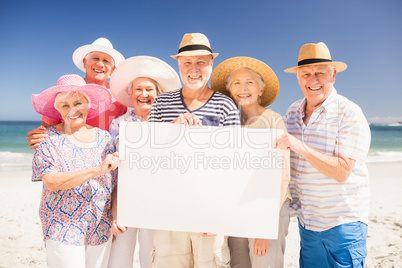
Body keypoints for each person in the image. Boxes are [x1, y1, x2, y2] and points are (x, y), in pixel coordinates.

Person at [274, 42, 371, 268]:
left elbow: (342, 171)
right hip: (307, 224)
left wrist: (300, 146)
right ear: (298, 77)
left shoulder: (349, 112)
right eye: (306, 73)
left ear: (333, 75)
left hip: (343, 224)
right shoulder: (292, 112)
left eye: (320, 73)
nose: (313, 80)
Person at [148, 33, 240, 268]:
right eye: (187, 62)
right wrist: (172, 128)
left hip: (208, 212)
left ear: (211, 64)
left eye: (201, 62)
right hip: (169, 209)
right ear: (178, 65)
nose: (194, 69)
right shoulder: (161, 103)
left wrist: (218, 213)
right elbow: (147, 152)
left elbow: (233, 163)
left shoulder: (226, 104)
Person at [31, 74, 120, 267]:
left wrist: (115, 216)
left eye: (78, 103)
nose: (73, 110)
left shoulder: (106, 139)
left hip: (100, 224)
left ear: (88, 105)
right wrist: (97, 170)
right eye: (65, 105)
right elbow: (51, 181)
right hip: (62, 225)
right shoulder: (47, 139)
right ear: (58, 110)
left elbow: (115, 183)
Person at [210, 56, 291, 268]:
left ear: (261, 90)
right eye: (236, 83)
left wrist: (267, 225)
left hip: (269, 206)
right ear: (230, 91)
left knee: (265, 263)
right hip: (236, 206)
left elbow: (284, 175)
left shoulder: (273, 120)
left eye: (249, 82)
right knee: (238, 263)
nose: (243, 88)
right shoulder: (227, 122)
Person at [106, 56, 181, 268]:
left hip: (157, 203)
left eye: (149, 89)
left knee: (152, 260)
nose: (144, 94)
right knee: (118, 260)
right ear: (130, 93)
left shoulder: (171, 124)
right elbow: (112, 172)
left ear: (158, 94)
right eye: (138, 89)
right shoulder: (118, 124)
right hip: (124, 202)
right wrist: (113, 212)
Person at [27, 37, 127, 149]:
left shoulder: (120, 97)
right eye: (95, 58)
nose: (100, 64)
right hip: (71, 151)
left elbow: (126, 131)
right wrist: (36, 137)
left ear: (113, 69)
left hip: (104, 154)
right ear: (85, 63)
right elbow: (46, 126)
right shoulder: (69, 90)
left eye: (106, 60)